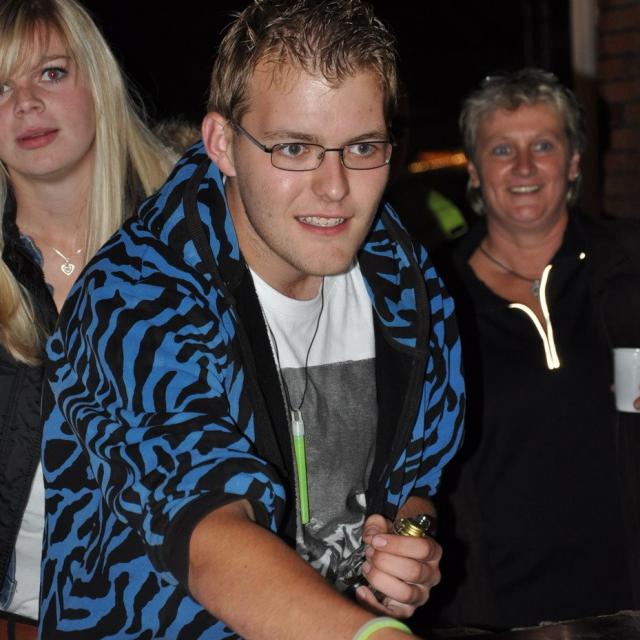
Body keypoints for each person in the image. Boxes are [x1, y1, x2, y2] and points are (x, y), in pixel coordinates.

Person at [39, 0, 465, 638]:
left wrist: (408, 542)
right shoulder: (134, 296)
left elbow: (418, 476)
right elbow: (210, 537)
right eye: (294, 148)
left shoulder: (408, 285)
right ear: (223, 144)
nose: (334, 187)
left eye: (362, 147)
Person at [430, 68, 640, 631]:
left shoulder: (629, 267)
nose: (524, 167)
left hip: (628, 605)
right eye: (502, 149)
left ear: (573, 162)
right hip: (492, 613)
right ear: (475, 170)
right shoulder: (431, 296)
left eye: (543, 146)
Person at [0, 0, 175, 637]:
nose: (25, 103)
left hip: (190, 614)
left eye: (50, 73)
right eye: (0, 86)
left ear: (96, 79)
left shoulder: (197, 239)